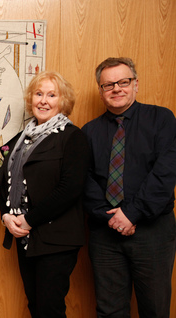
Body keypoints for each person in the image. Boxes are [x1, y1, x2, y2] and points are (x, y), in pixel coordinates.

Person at [82, 57, 176, 317]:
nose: (116, 89)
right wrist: (111, 218)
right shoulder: (89, 132)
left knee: (154, 309)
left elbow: (165, 173)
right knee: (109, 310)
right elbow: (86, 181)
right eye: (108, 85)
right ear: (101, 92)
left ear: (136, 84)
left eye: (123, 82)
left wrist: (131, 214)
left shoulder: (162, 119)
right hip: (105, 234)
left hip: (153, 231)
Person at [0, 71, 90, 317]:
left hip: (56, 239)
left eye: (51, 95)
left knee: (50, 308)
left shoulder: (73, 137)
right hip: (24, 236)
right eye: (38, 94)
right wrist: (6, 216)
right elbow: (2, 180)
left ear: (63, 101)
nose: (43, 101)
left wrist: (28, 220)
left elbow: (70, 189)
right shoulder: (20, 139)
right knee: (35, 306)